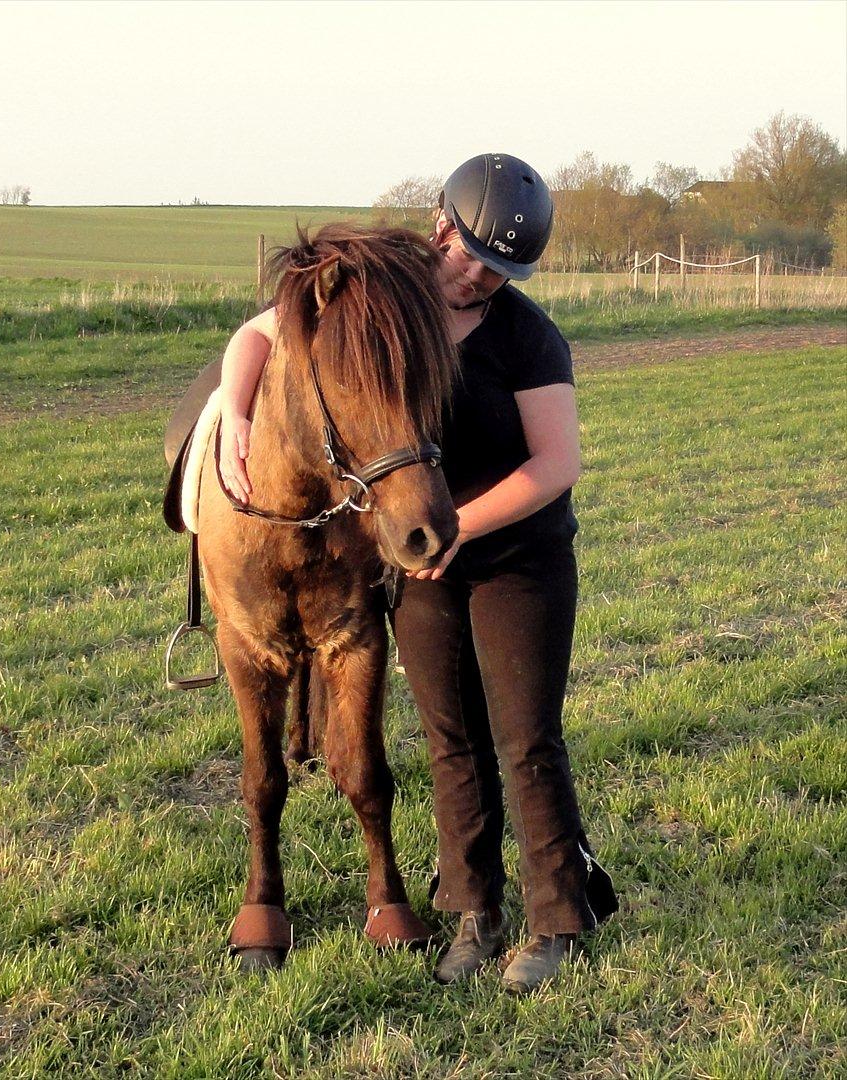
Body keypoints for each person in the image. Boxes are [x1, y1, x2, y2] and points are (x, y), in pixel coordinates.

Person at [216, 153, 618, 994]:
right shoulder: (394, 302)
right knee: (449, 740)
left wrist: (454, 528)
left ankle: (557, 920)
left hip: (512, 555)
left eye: (499, 268)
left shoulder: (527, 336)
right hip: (422, 557)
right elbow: (261, 331)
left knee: (525, 738)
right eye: (468, 253)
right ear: (441, 226)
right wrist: (233, 418)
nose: (475, 276)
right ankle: (473, 912)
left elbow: (557, 464)